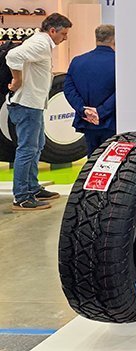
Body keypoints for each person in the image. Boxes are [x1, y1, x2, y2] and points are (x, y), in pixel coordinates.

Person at [6, 13, 72, 211]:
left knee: (36, 147)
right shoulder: (41, 43)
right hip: (27, 105)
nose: (65, 38)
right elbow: (12, 56)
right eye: (63, 34)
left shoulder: (41, 42)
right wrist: (17, 80)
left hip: (33, 104)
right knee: (27, 149)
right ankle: (22, 197)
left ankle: (32, 188)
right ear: (52, 31)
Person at [64, 24, 116, 158]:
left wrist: (84, 110)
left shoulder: (77, 61)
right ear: (114, 39)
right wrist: (101, 111)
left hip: (88, 122)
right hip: (112, 121)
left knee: (92, 160)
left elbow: (69, 89)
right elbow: (121, 91)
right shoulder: (120, 62)